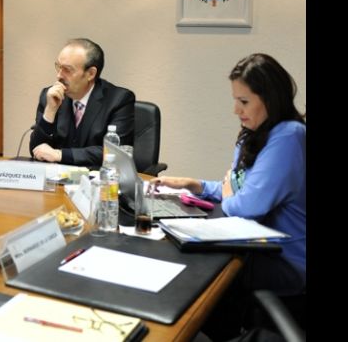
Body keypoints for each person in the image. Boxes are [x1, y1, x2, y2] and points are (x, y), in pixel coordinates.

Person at [151, 53, 305, 338]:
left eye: (244, 101)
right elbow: (235, 188)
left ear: (270, 99)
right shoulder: (254, 134)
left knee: (201, 276)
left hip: (287, 261)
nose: (236, 110)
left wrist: (229, 192)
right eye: (235, 99)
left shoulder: (289, 136)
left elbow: (246, 206)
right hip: (257, 247)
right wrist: (195, 185)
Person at [29, 38, 135, 167]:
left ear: (90, 73)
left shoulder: (119, 100)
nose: (59, 76)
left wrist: (60, 154)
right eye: (59, 67)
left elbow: (115, 153)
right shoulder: (51, 96)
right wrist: (50, 111)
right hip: (56, 181)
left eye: (67, 70)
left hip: (98, 181)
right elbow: (36, 150)